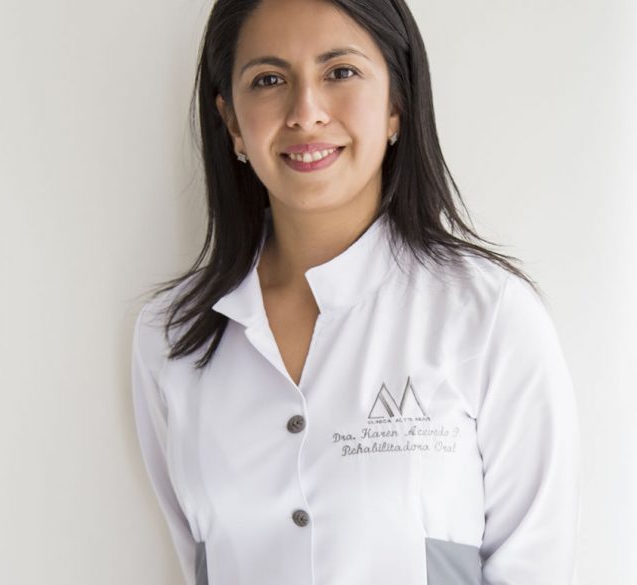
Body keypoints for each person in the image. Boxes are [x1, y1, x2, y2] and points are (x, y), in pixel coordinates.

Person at [130, 0, 581, 584]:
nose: (305, 113)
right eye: (268, 80)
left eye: (340, 72)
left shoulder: (487, 317)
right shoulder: (171, 337)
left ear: (396, 104)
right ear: (232, 122)